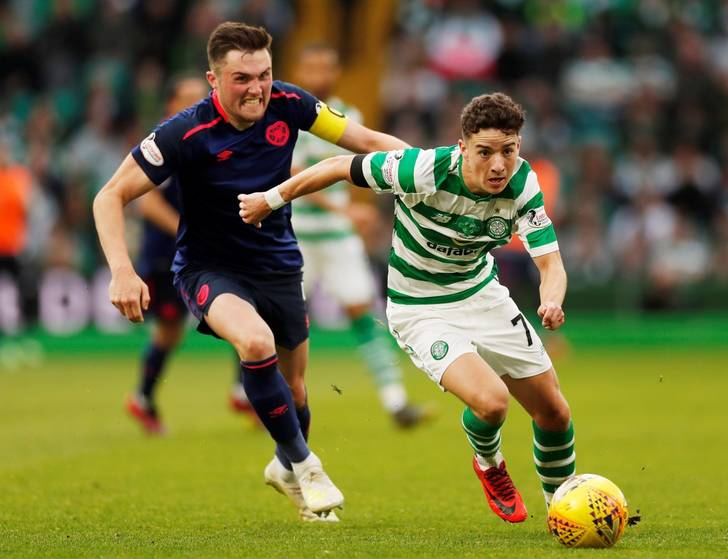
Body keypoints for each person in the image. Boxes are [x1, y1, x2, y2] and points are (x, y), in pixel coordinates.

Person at [93, 21, 409, 522]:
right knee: (255, 344)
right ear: (213, 79)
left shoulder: (291, 104)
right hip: (209, 267)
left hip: (279, 263)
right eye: (242, 78)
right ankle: (307, 467)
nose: (257, 88)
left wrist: (429, 166)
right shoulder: (183, 132)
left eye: (263, 74)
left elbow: (364, 139)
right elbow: (109, 196)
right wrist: (121, 271)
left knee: (297, 391)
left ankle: (284, 469)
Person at [239, 93, 575, 523]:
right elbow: (338, 166)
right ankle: (490, 464)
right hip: (420, 308)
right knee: (491, 404)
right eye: (485, 152)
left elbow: (550, 262)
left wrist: (551, 299)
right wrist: (271, 199)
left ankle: (562, 508)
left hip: (482, 295)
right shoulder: (423, 169)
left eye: (508, 151)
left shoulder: (523, 183)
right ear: (462, 147)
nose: (497, 165)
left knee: (554, 411)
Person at [291, 44, 429, 428]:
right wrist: (346, 209)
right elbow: (294, 176)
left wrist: (358, 210)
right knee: (281, 321)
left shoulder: (348, 116)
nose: (319, 74)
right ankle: (260, 397)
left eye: (326, 67)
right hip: (297, 235)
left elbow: (357, 165)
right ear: (302, 72)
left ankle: (396, 402)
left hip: (337, 238)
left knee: (363, 313)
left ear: (334, 73)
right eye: (312, 66)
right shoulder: (289, 117)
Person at [125, 76, 256, 435]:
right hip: (168, 254)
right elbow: (148, 204)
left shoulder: (213, 137)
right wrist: (191, 227)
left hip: (205, 251)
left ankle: (243, 391)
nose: (194, 104)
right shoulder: (166, 143)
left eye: (200, 97)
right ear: (170, 105)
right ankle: (144, 397)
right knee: (170, 332)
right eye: (185, 98)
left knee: (239, 310)